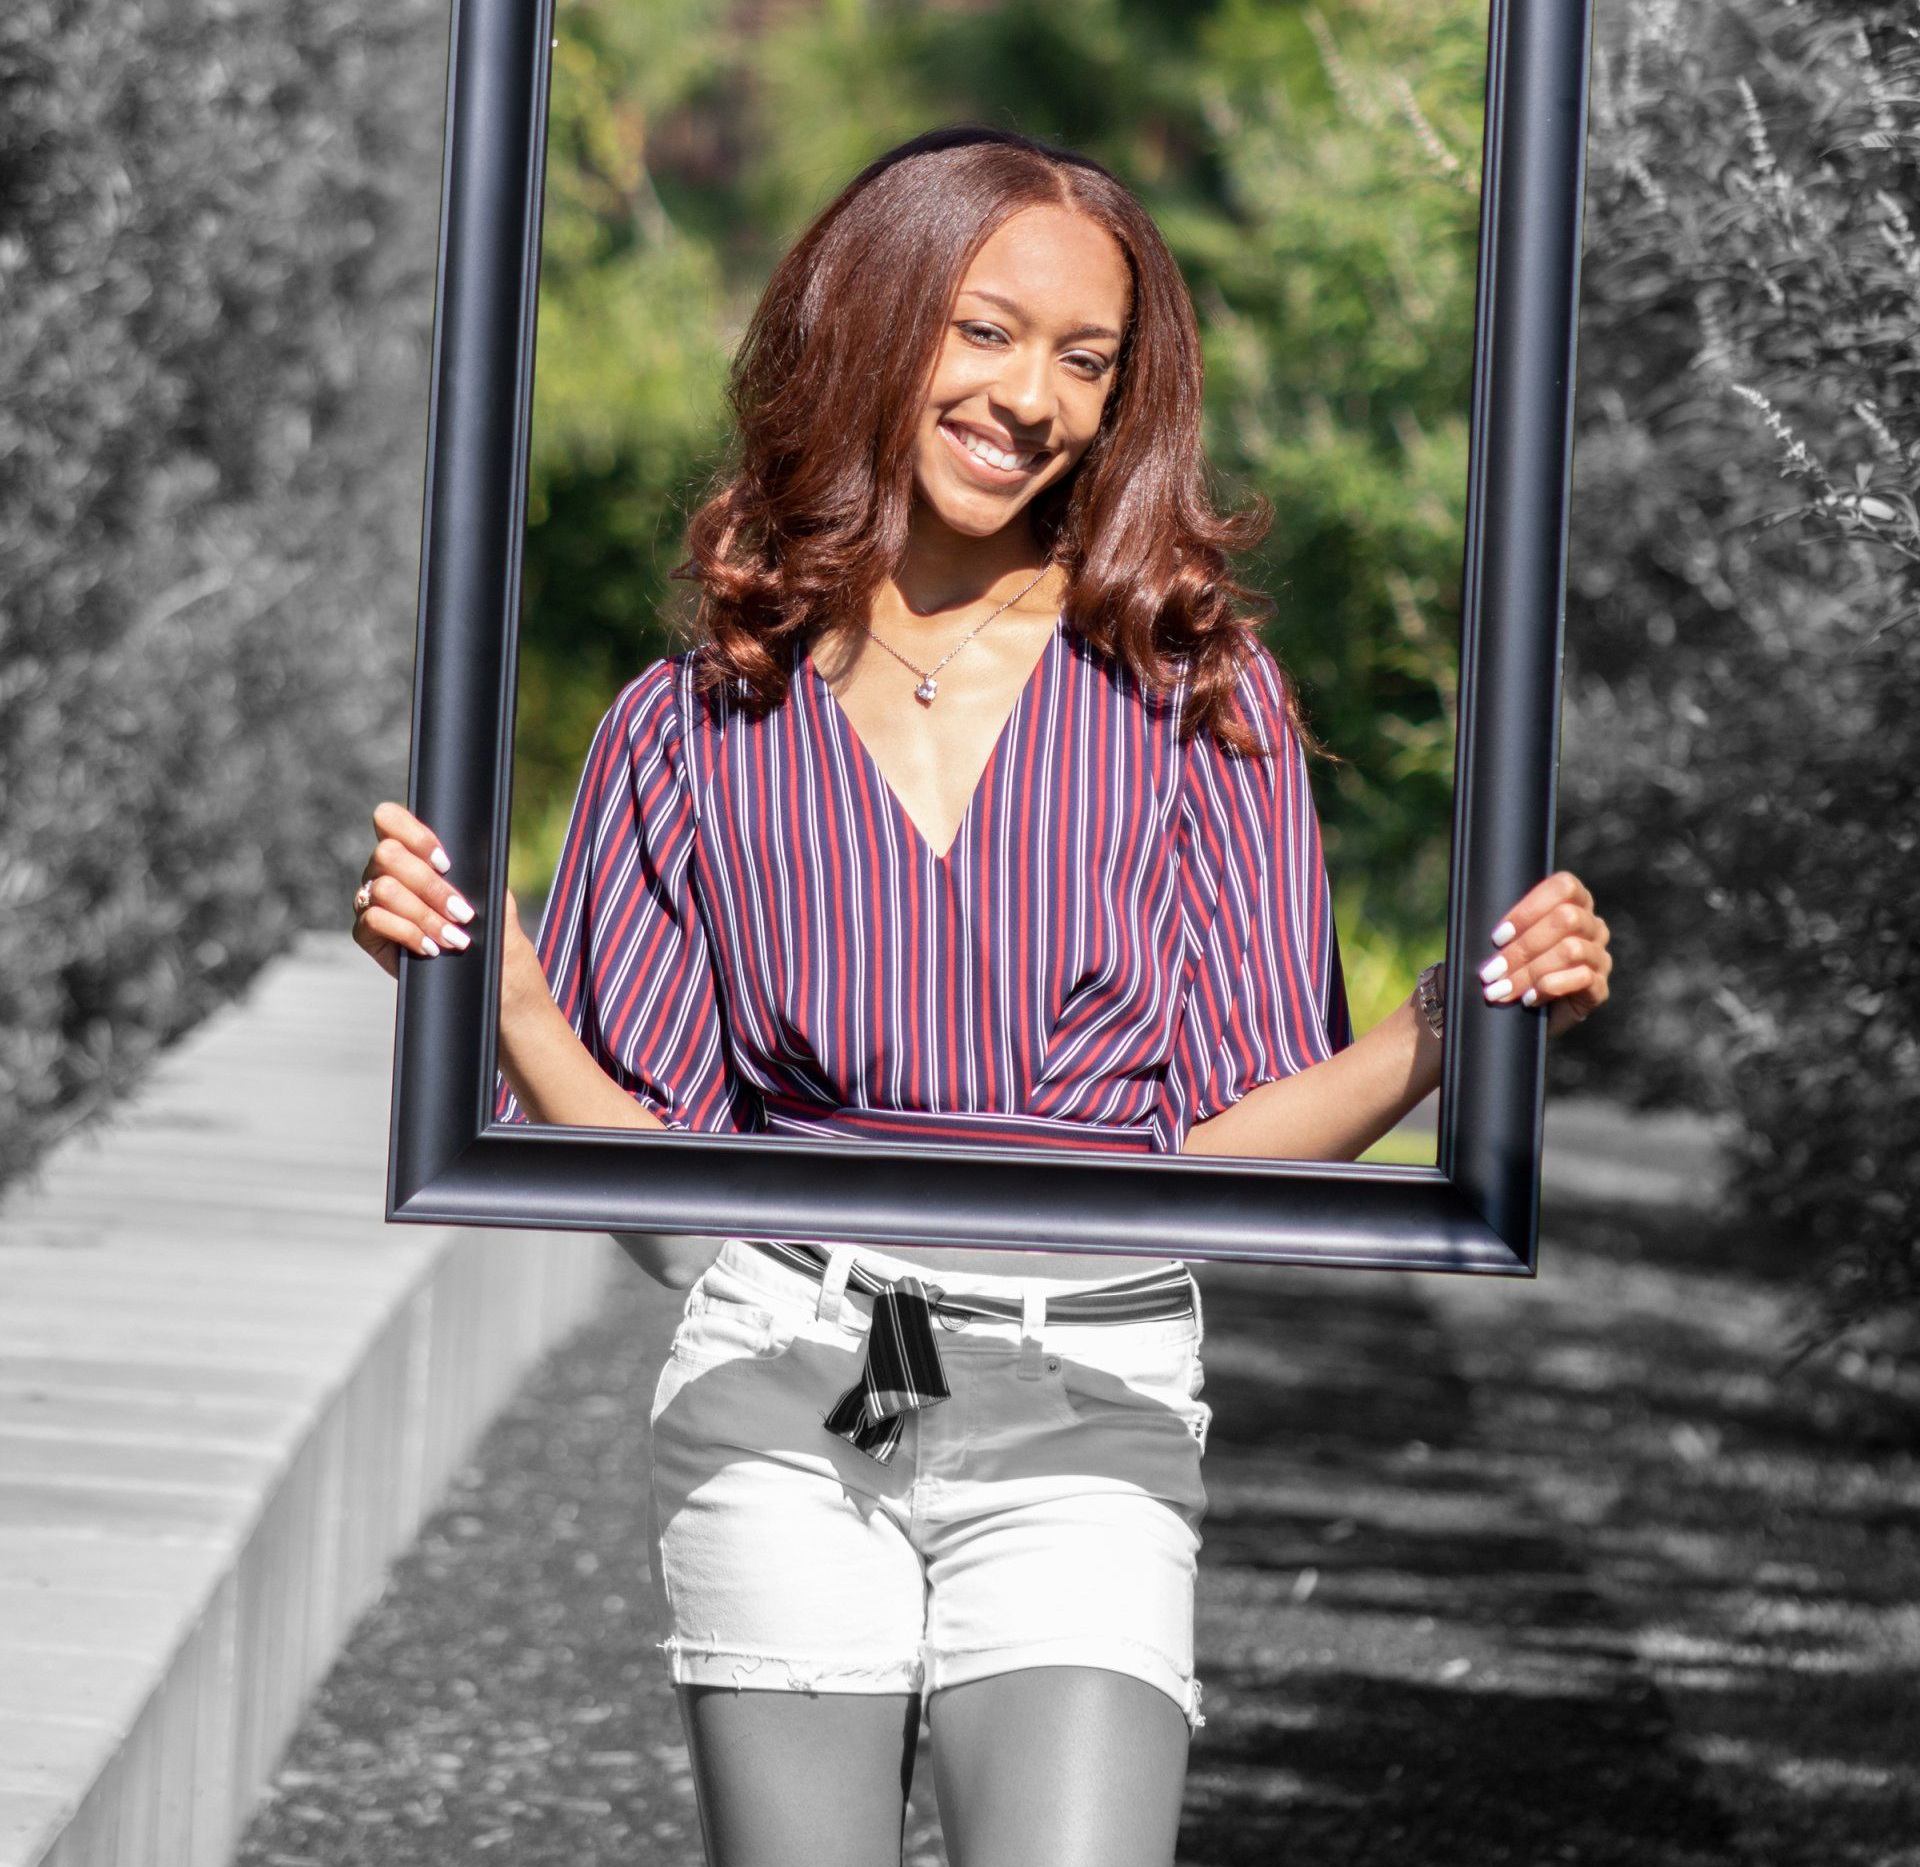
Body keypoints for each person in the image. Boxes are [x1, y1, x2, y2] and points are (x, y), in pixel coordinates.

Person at [351, 126, 1612, 1867]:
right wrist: (500, 1001)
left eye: (1086, 360)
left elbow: (1229, 1141)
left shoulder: (1195, 700)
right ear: (870, 325)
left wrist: (1445, 1035)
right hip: (790, 1384)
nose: (1033, 397)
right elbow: (672, 1221)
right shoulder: (691, 722)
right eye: (986, 329)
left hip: (1086, 1403)